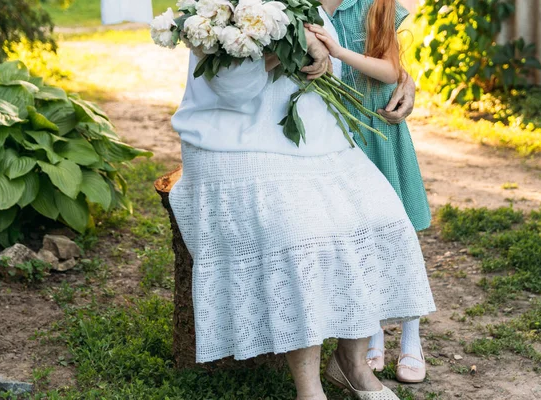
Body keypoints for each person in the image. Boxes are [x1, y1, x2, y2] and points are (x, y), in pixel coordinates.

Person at [168, 7, 435, 400]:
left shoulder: (300, 8)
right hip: (233, 141)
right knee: (300, 233)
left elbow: (346, 50)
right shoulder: (216, 15)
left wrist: (403, 77)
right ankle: (309, 391)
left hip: (313, 138)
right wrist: (288, 42)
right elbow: (232, 91)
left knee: (380, 216)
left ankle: (353, 364)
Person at [307, 0, 431, 383]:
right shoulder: (306, 9)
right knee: (358, 234)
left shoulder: (376, 6)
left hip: (378, 127)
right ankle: (371, 334)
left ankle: (412, 337)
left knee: (397, 228)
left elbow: (393, 68)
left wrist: (341, 52)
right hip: (339, 131)